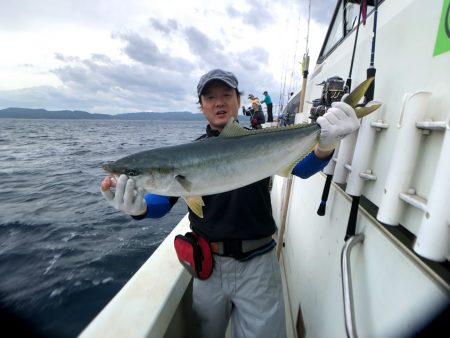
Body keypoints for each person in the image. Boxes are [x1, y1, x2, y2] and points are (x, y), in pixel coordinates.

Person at [100, 68, 360, 338]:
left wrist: (325, 145)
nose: (219, 102)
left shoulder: (261, 142)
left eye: (226, 94)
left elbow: (302, 169)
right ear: (201, 106)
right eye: (210, 97)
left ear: (239, 100)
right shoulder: (185, 155)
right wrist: (139, 208)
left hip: (259, 264)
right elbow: (160, 202)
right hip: (208, 267)